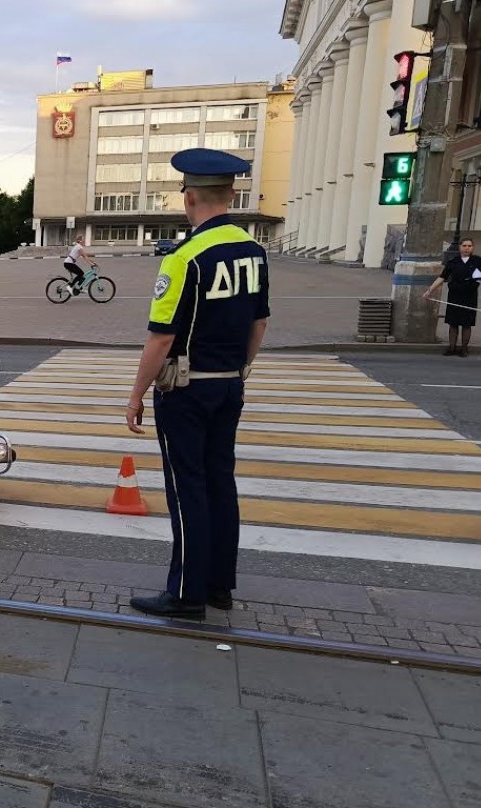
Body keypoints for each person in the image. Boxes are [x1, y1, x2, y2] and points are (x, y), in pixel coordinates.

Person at [123, 148, 270, 620]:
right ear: (230, 196)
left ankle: (186, 594)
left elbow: (161, 336)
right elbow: (260, 324)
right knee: (220, 483)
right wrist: (239, 370)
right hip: (230, 386)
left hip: (186, 391)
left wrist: (136, 394)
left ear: (189, 199)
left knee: (187, 488)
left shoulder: (185, 257)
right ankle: (219, 586)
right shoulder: (255, 252)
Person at [423, 238, 481, 357]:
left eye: (469, 246)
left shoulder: (477, 260)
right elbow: (442, 277)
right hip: (454, 295)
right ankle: (452, 348)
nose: (467, 248)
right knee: (453, 322)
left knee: (466, 323)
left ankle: (464, 349)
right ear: (460, 247)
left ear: (473, 248)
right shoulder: (453, 261)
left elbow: (478, 277)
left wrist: (469, 285)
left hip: (469, 295)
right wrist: (429, 291)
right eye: (464, 245)